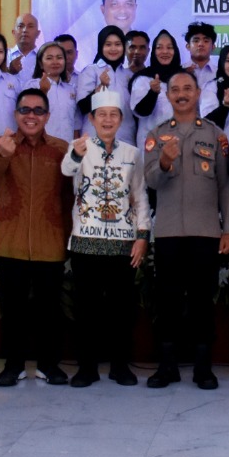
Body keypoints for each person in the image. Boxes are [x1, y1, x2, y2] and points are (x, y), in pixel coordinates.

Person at [142, 70, 229, 389]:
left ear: (197, 94)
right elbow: (150, 180)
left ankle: (203, 368)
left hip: (205, 232)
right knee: (167, 300)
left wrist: (228, 229)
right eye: (175, 90)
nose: (181, 94)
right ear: (167, 95)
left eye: (187, 89)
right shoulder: (157, 134)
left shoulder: (215, 134)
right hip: (168, 231)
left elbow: (225, 185)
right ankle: (167, 366)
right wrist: (164, 162)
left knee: (201, 300)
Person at [62, 89, 151, 386]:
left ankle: (119, 366)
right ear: (91, 119)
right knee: (86, 309)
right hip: (85, 242)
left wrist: (142, 236)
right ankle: (86, 368)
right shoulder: (79, 147)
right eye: (102, 115)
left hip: (123, 244)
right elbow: (66, 169)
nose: (108, 120)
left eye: (114, 115)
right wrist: (76, 153)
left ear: (121, 119)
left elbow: (140, 196)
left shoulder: (132, 153)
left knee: (121, 310)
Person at [0, 86, 72, 387]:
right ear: (16, 114)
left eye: (38, 110)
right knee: (13, 310)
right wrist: (4, 153)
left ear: (47, 116)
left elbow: (70, 195)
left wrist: (69, 234)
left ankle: (49, 365)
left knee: (49, 309)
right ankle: (13, 365)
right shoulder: (2, 144)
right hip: (12, 239)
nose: (31, 116)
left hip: (51, 238)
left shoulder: (61, 148)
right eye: (25, 110)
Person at [75, 25, 136, 144]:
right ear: (101, 46)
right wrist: (100, 87)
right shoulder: (91, 71)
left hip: (125, 140)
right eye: (108, 44)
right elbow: (82, 107)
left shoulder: (129, 74)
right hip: (95, 140)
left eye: (118, 44)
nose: (113, 48)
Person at [131, 29, 183, 141]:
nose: (165, 51)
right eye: (159, 47)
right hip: (151, 143)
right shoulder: (144, 78)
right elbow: (140, 112)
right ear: (154, 51)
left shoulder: (184, 78)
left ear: (175, 51)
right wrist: (152, 93)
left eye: (169, 47)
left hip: (179, 142)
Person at [31, 41, 79, 142]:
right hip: (42, 146)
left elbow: (75, 123)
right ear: (41, 63)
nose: (55, 62)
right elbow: (29, 116)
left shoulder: (71, 89)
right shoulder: (32, 86)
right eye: (49, 58)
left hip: (67, 146)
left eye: (59, 58)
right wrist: (42, 91)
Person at [183, 21, 217, 96]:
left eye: (206, 41)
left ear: (213, 47)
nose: (200, 44)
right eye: (196, 41)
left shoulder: (219, 73)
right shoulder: (179, 71)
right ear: (188, 46)